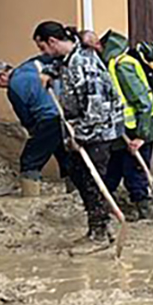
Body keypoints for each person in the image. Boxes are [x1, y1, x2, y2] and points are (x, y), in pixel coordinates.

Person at [38, 20, 126, 252]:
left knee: (92, 180)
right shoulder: (68, 57)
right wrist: (48, 73)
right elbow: (58, 63)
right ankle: (95, 228)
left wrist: (81, 136)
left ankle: (100, 232)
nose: (44, 53)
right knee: (78, 173)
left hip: (97, 130)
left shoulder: (85, 64)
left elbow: (96, 109)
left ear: (53, 41)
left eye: (43, 48)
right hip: (79, 127)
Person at [98, 31, 153, 217]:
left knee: (134, 169)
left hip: (140, 128)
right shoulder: (111, 65)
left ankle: (144, 207)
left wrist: (141, 136)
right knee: (115, 166)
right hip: (123, 129)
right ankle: (103, 204)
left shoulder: (122, 66)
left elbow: (143, 102)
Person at [0, 53, 68, 199]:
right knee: (66, 156)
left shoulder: (13, 87)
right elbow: (48, 58)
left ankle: (30, 198)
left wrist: (33, 131)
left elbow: (25, 116)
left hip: (47, 119)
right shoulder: (30, 66)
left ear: (2, 76)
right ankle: (74, 192)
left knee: (30, 159)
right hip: (63, 115)